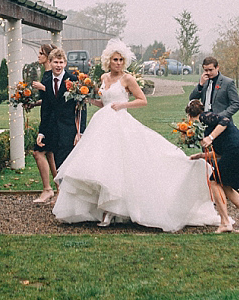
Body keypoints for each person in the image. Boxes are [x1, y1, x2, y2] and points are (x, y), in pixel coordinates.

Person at [52, 40, 218, 231]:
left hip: (120, 123)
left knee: (122, 165)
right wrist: (86, 99)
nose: (118, 63)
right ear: (108, 60)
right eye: (115, 59)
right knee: (101, 165)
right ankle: (102, 209)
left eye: (121, 59)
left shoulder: (127, 79)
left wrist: (123, 105)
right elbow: (104, 102)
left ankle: (114, 211)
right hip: (102, 123)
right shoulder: (104, 78)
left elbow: (143, 100)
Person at [187, 99, 239, 233]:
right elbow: (220, 154)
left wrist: (211, 138)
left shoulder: (205, 117)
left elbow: (225, 120)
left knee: (214, 181)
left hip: (237, 151)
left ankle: (225, 222)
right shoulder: (207, 125)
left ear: (189, 116)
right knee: (225, 185)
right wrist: (201, 156)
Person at [31, 48, 82, 204]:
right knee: (58, 164)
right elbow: (46, 110)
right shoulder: (46, 82)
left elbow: (80, 108)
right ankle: (63, 196)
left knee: (68, 163)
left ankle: (72, 197)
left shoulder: (73, 80)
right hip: (53, 129)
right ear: (50, 63)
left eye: (61, 62)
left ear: (65, 63)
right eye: (55, 62)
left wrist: (80, 131)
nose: (58, 65)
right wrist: (41, 132)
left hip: (69, 129)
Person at [29, 43, 57, 202]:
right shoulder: (46, 74)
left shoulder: (51, 75)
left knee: (38, 152)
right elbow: (47, 100)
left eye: (41, 53)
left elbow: (56, 96)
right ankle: (57, 189)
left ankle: (47, 188)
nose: (38, 56)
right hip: (46, 115)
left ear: (47, 56)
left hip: (51, 120)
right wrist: (34, 103)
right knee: (50, 154)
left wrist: (43, 88)